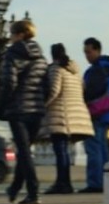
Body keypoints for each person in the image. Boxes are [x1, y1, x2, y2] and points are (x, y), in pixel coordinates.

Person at [0, 20, 48, 204]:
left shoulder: (12, 55)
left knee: (24, 152)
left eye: (12, 34)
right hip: (37, 110)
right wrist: (41, 103)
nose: (10, 38)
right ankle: (15, 188)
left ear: (19, 34)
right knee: (25, 150)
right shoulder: (41, 58)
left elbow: (8, 83)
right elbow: (47, 85)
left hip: (18, 110)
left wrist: (1, 106)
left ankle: (33, 191)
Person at [39, 43, 94, 194]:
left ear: (52, 55)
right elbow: (83, 89)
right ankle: (65, 182)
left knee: (60, 150)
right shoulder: (75, 70)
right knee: (64, 151)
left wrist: (43, 106)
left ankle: (63, 183)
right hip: (76, 113)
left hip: (61, 114)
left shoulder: (56, 69)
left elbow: (54, 91)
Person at [80, 37, 109, 194]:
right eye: (85, 52)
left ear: (97, 50)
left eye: (89, 52)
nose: (86, 56)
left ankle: (95, 182)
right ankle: (106, 181)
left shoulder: (97, 69)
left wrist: (84, 97)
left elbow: (91, 91)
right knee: (103, 148)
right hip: (106, 112)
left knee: (93, 148)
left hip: (95, 112)